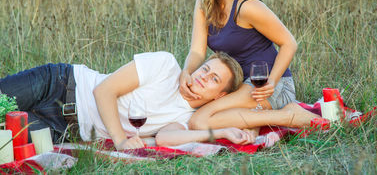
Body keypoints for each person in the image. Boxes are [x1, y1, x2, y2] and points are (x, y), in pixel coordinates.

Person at [0, 51, 256, 149]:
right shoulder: (166, 65)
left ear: (220, 95)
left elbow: (166, 139)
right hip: (59, 84)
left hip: (63, 131)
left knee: (3, 141)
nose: (203, 77)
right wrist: (121, 140)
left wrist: (220, 131)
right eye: (205, 69)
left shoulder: (187, 119)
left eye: (214, 79)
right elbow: (104, 90)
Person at [179, 0, 304, 130]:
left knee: (199, 120)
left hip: (265, 86)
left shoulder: (247, 6)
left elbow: (289, 43)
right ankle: (259, 122)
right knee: (197, 115)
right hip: (236, 86)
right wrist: (186, 71)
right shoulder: (204, 4)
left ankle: (289, 115)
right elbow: (196, 51)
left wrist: (272, 81)